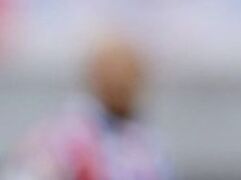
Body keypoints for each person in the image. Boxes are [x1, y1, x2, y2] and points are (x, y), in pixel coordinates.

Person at [2, 34, 173, 180]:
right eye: (111, 72)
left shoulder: (146, 142)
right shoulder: (70, 134)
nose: (119, 82)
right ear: (94, 77)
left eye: (127, 73)